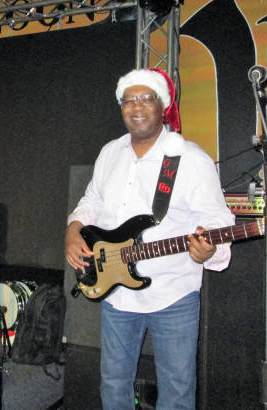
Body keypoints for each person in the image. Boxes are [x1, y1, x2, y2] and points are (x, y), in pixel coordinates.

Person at [64, 68, 235, 410]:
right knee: (114, 385)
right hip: (116, 295)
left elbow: (218, 220)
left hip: (173, 294)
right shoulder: (110, 152)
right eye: (129, 100)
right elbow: (91, 201)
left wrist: (208, 252)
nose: (137, 107)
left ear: (163, 105)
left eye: (146, 98)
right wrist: (72, 230)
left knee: (177, 391)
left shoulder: (190, 159)